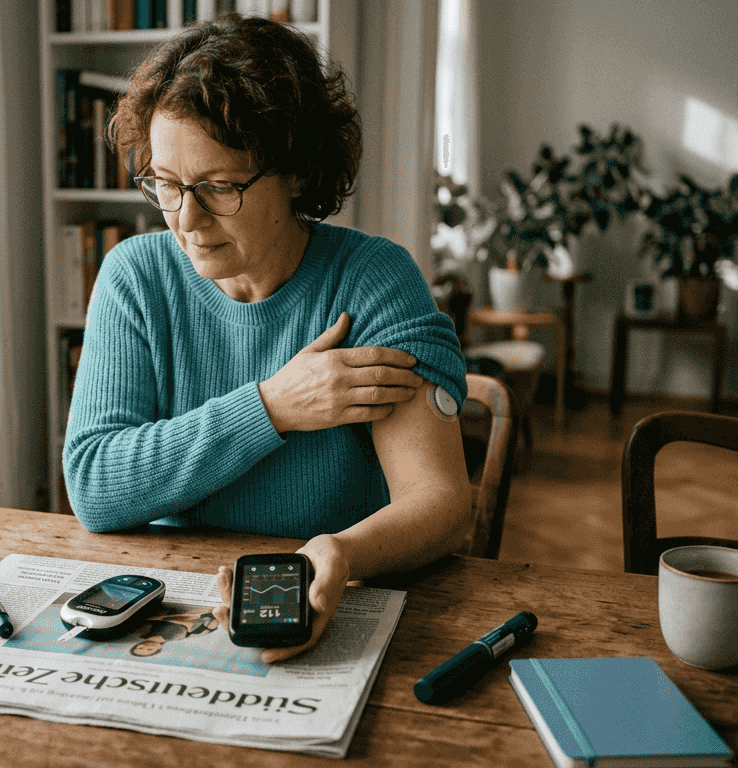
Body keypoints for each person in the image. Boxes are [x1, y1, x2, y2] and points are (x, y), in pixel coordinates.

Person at [63, 15, 470, 663]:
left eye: (219, 187)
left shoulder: (372, 280)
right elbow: (94, 485)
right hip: (170, 609)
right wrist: (271, 407)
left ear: (299, 174)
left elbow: (442, 503)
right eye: (167, 184)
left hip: (344, 599)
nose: (186, 219)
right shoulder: (134, 276)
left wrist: (340, 550)